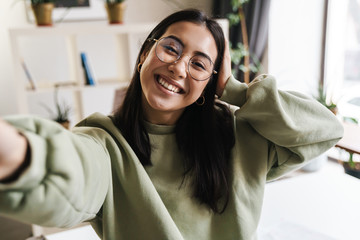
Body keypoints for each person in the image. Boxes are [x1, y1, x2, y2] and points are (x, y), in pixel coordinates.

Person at [0, 9, 343, 240]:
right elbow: (75, 169)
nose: (179, 67)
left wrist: (234, 90)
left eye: (199, 63)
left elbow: (325, 130)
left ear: (212, 82)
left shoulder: (239, 136)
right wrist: (17, 152)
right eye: (171, 49)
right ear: (145, 55)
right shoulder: (106, 143)